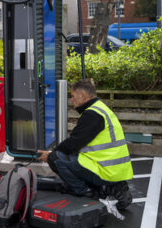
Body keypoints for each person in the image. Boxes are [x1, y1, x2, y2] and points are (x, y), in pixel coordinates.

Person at [36, 78, 133, 209]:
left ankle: (87, 192)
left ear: (82, 96)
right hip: (115, 170)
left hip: (104, 170)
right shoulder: (100, 109)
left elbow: (73, 143)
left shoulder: (92, 114)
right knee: (68, 157)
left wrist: (51, 154)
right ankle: (111, 187)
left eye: (73, 96)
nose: (71, 100)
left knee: (56, 158)